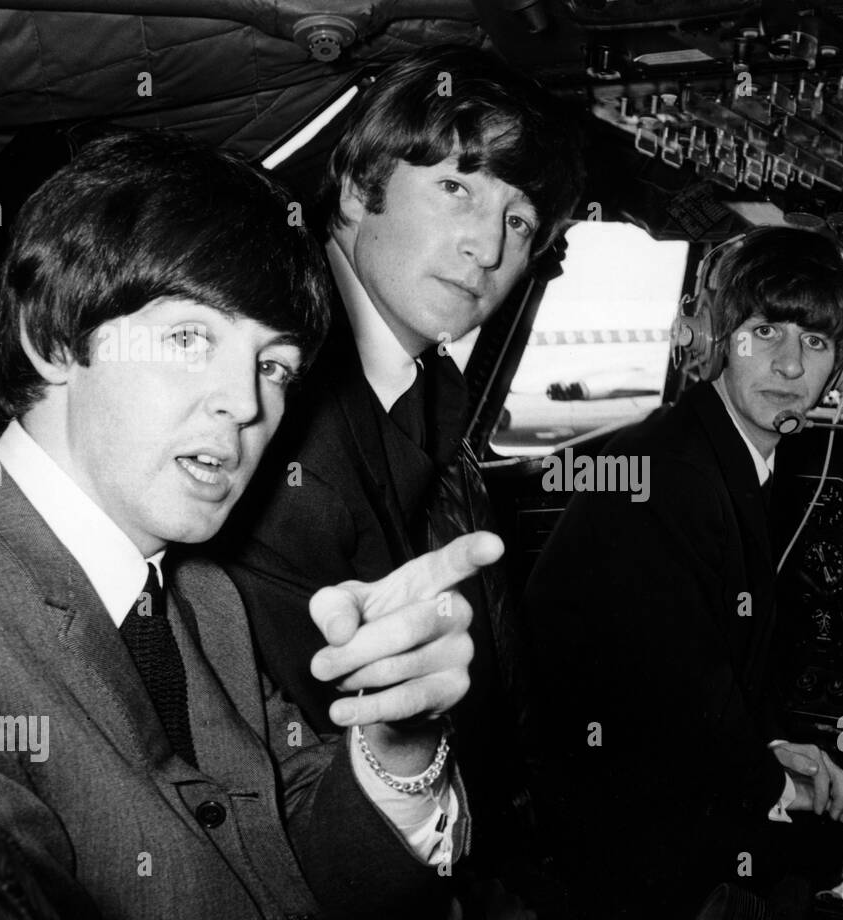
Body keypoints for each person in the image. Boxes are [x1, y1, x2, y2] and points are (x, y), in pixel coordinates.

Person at [0, 130, 539, 920]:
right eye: (191, 338)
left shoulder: (199, 598)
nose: (245, 403)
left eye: (275, 367)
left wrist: (397, 738)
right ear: (53, 341)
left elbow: (302, 860)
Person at [219, 45, 584, 865]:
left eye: (518, 221)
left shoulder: (424, 395)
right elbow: (303, 758)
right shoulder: (280, 412)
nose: (486, 249)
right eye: (457, 187)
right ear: (356, 190)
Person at [524, 226, 843, 920]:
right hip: (620, 844)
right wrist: (779, 786)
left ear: (840, 365)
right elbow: (676, 686)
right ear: (719, 337)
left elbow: (714, 663)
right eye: (764, 330)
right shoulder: (669, 472)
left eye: (815, 343)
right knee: (828, 869)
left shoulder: (714, 453)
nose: (787, 363)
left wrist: (778, 744)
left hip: (647, 794)